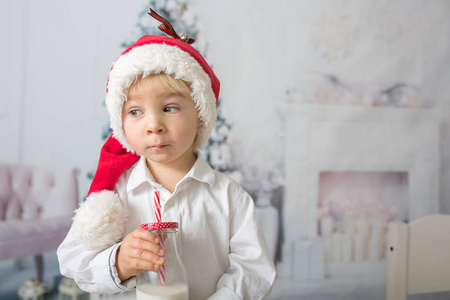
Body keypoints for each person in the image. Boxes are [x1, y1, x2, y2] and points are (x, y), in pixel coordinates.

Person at [57, 9, 276, 300]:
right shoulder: (114, 196)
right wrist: (120, 262)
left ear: (200, 114)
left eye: (169, 108)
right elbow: (72, 261)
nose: (154, 126)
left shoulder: (229, 196)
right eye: (135, 111)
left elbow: (254, 269)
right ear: (120, 123)